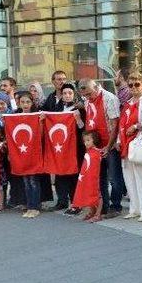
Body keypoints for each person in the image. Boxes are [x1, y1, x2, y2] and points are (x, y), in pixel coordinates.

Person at [78, 78, 122, 218]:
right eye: (84, 95)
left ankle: (116, 206)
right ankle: (103, 207)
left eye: (90, 94)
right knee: (99, 178)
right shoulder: (87, 100)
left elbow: (115, 124)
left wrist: (108, 147)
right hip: (95, 147)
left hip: (109, 145)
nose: (88, 98)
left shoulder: (109, 98)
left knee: (114, 178)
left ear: (97, 87)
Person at [118, 71, 142, 221]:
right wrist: (118, 141)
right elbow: (122, 124)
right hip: (126, 144)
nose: (133, 87)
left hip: (139, 142)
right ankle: (135, 208)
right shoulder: (127, 103)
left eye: (137, 84)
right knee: (129, 177)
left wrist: (137, 126)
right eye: (130, 84)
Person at [58, 83, 86, 215]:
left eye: (70, 93)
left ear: (74, 94)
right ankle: (70, 201)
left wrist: (78, 119)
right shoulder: (58, 108)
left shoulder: (80, 109)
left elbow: (84, 129)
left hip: (76, 148)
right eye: (65, 93)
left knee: (76, 176)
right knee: (67, 175)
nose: (67, 95)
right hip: (63, 148)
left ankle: (78, 203)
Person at [15, 93, 42, 218]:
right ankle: (29, 206)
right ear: (19, 103)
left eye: (27, 102)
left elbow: (41, 135)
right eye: (22, 102)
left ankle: (35, 207)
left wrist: (41, 122)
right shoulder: (15, 116)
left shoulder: (37, 116)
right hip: (21, 154)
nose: (25, 105)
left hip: (34, 153)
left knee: (33, 181)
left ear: (32, 103)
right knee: (26, 181)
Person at [73, 131, 103, 223]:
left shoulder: (97, 152)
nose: (86, 142)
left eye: (88, 140)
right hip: (87, 177)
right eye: (85, 141)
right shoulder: (88, 152)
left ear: (94, 140)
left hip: (94, 178)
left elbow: (96, 165)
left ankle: (98, 214)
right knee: (89, 194)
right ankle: (92, 211)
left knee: (97, 195)